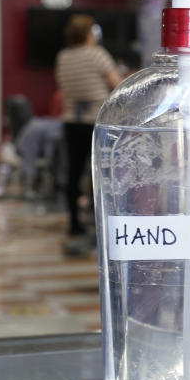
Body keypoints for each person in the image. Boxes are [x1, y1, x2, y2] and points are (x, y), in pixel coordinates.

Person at [55, 14, 122, 236]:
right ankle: (97, 223)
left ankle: (74, 223)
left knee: (74, 173)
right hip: (96, 123)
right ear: (88, 33)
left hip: (71, 122)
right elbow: (118, 86)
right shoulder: (97, 55)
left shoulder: (63, 57)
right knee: (100, 174)